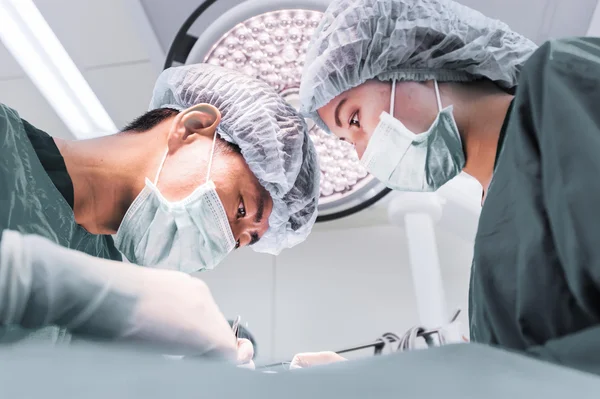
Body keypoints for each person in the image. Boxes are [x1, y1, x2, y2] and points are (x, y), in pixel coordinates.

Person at [296, 0, 600, 376]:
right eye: (346, 141)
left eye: (354, 119)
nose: (364, 155)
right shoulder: (491, 248)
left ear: (412, 58)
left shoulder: (559, 84)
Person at [0, 63, 319, 358]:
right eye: (240, 209)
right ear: (192, 129)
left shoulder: (107, 278)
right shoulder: (5, 142)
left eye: (238, 242)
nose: (221, 244)